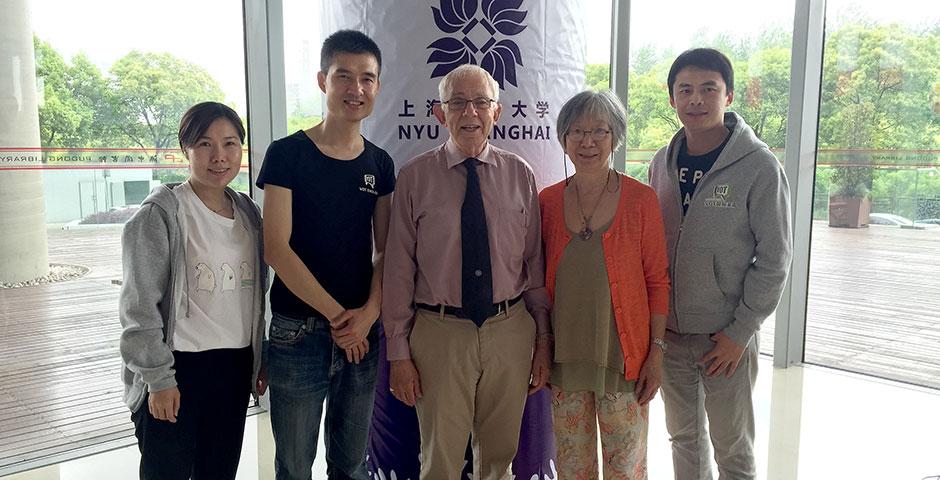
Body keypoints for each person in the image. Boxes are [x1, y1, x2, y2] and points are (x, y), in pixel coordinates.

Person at [382, 63, 551, 480]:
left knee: (498, 460)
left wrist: (543, 339)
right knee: (438, 461)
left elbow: (534, 267)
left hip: (510, 330)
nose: (469, 113)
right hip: (439, 334)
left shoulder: (520, 175)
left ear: (497, 111)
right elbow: (398, 269)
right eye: (457, 103)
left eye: (480, 103)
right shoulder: (415, 178)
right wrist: (398, 352)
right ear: (440, 113)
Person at [255, 29, 394, 480]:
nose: (356, 89)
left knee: (351, 465)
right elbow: (276, 248)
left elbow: (386, 251)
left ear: (377, 86)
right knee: (294, 466)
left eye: (368, 79)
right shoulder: (287, 154)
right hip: (299, 333)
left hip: (361, 335)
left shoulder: (379, 164)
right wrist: (341, 319)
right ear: (322, 80)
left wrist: (369, 315)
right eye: (344, 76)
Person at [648, 48, 792, 480]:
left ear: (728, 96)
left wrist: (739, 333)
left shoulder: (759, 166)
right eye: (685, 90)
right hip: (671, 334)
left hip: (725, 338)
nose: (696, 99)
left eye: (708, 89)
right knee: (683, 440)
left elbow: (775, 257)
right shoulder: (661, 162)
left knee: (732, 447)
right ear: (672, 99)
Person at [119, 101, 266, 480]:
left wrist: (258, 358)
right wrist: (159, 380)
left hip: (232, 370)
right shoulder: (160, 215)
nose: (219, 156)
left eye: (230, 144)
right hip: (178, 369)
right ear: (185, 150)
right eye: (205, 144)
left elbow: (252, 297)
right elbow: (139, 309)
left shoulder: (249, 213)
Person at [538, 90, 670, 480]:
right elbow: (536, 284)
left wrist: (656, 353)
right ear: (563, 138)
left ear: (616, 137)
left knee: (625, 468)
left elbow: (657, 282)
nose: (588, 142)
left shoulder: (641, 200)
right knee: (572, 467)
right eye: (577, 132)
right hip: (565, 361)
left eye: (599, 131)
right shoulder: (546, 202)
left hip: (624, 360)